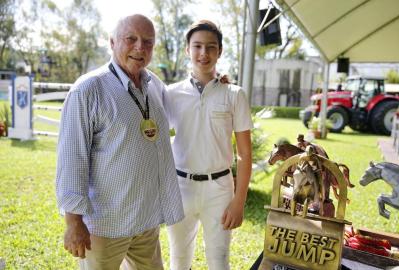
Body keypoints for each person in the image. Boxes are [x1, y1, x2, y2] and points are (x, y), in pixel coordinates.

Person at [55, 14, 184, 270]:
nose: (140, 47)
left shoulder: (154, 86)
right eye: (131, 39)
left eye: (148, 42)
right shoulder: (88, 89)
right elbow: (72, 158)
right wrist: (73, 223)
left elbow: (190, 106)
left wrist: (217, 81)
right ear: (112, 42)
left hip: (146, 221)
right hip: (105, 226)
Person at [165, 20, 253, 270]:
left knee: (219, 261)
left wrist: (239, 201)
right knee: (179, 261)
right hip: (180, 188)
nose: (204, 53)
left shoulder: (234, 94)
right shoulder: (170, 94)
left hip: (220, 191)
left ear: (220, 51)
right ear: (187, 50)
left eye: (211, 47)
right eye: (197, 46)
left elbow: (245, 155)